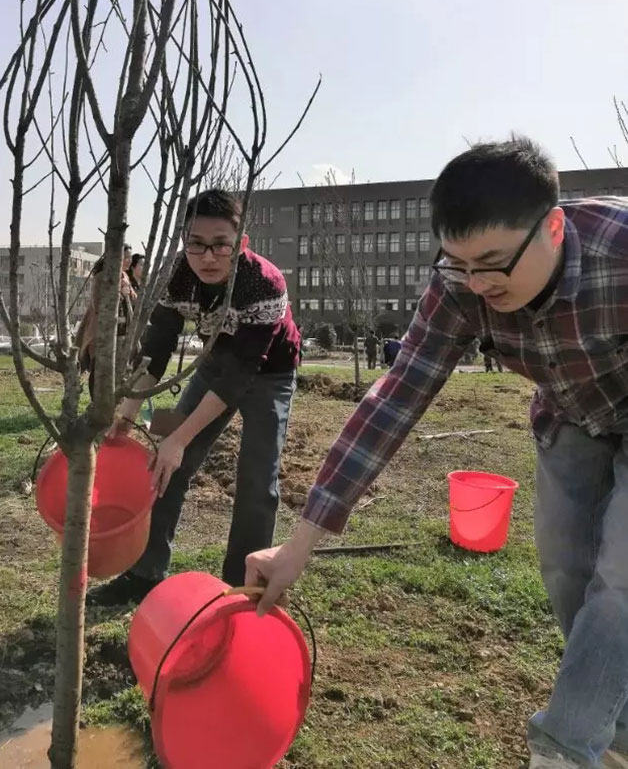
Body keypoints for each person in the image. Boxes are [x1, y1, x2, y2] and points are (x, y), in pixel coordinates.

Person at [245, 137, 628, 769]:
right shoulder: (459, 284)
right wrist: (299, 545)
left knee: (621, 582)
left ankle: (564, 748)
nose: (478, 284)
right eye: (460, 263)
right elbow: (393, 402)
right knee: (567, 572)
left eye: (494, 263)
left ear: (553, 227)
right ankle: (617, 723)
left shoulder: (621, 248)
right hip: (571, 417)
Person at [87, 189, 300, 606]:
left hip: (270, 371)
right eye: (196, 244)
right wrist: (128, 414)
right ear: (185, 242)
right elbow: (158, 347)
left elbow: (241, 375)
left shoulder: (265, 283)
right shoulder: (177, 274)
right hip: (215, 361)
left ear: (241, 243)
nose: (207, 257)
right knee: (165, 466)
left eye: (220, 244)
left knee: (258, 481)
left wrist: (180, 438)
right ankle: (145, 572)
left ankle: (242, 589)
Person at [76, 244, 135, 398]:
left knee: (118, 370)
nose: (129, 261)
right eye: (125, 257)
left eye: (130, 257)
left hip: (121, 332)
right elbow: (99, 306)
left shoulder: (125, 277)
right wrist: (120, 293)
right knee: (99, 369)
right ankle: (96, 403)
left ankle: (113, 403)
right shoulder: (102, 277)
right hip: (101, 332)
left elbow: (132, 299)